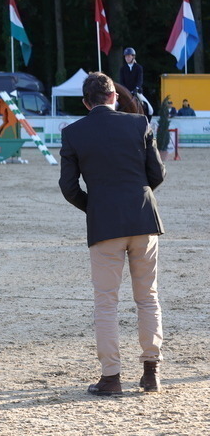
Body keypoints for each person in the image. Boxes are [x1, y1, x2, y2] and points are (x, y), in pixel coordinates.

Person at [59, 71, 166, 396]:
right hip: (143, 218)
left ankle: (111, 377)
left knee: (106, 302)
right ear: (113, 96)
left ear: (85, 102)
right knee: (148, 298)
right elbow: (157, 173)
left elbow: (68, 187)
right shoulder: (138, 123)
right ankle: (151, 373)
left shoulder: (73, 132)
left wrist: (95, 206)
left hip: (105, 224)